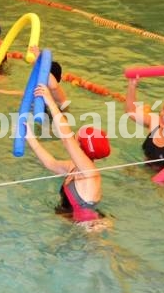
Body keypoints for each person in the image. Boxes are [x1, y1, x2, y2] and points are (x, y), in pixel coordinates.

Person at [25, 85, 110, 223]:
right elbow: (51, 163)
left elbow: (66, 138)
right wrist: (30, 138)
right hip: (75, 222)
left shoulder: (88, 171)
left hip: (90, 229)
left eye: (78, 135)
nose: (76, 133)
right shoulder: (74, 166)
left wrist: (50, 101)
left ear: (80, 146)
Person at [125, 78, 164, 174]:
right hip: (142, 168)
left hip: (161, 181)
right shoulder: (154, 121)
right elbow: (131, 111)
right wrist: (132, 85)